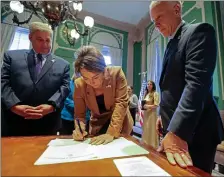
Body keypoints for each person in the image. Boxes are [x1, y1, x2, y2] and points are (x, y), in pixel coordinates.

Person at [149, 1, 224, 173]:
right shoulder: (170, 44)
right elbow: (170, 87)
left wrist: (177, 132)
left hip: (197, 131)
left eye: (159, 16)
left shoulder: (198, 32)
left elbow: (197, 84)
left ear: (176, 9)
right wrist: (162, 114)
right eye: (153, 20)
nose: (156, 24)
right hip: (174, 128)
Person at [1, 22, 70, 136]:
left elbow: (64, 88)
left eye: (47, 40)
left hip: (47, 123)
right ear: (30, 37)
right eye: (40, 40)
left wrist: (51, 107)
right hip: (13, 122)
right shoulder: (12, 57)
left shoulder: (63, 65)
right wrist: (14, 106)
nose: (45, 44)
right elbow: (3, 83)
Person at [72, 45, 133, 145]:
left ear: (103, 69)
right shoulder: (79, 84)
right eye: (86, 78)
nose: (91, 82)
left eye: (95, 77)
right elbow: (79, 115)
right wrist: (79, 129)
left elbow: (121, 103)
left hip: (120, 122)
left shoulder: (116, 74)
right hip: (98, 123)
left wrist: (111, 133)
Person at [141, 80, 159, 148]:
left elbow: (156, 105)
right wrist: (143, 106)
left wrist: (147, 106)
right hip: (146, 113)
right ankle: (146, 143)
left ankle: (152, 144)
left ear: (153, 85)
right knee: (146, 128)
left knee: (151, 128)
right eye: (148, 84)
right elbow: (144, 104)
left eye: (150, 84)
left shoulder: (155, 93)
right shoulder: (146, 94)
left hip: (152, 114)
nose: (149, 85)